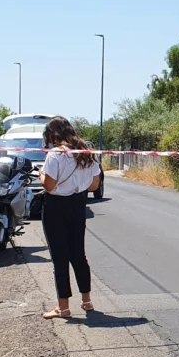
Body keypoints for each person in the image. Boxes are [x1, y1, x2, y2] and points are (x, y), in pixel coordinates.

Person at [39, 117, 101, 319]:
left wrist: (41, 174)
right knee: (78, 255)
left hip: (56, 207)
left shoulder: (55, 154)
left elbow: (49, 185)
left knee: (60, 258)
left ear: (51, 134)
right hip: (78, 205)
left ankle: (63, 307)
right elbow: (93, 186)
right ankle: (87, 301)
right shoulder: (86, 153)